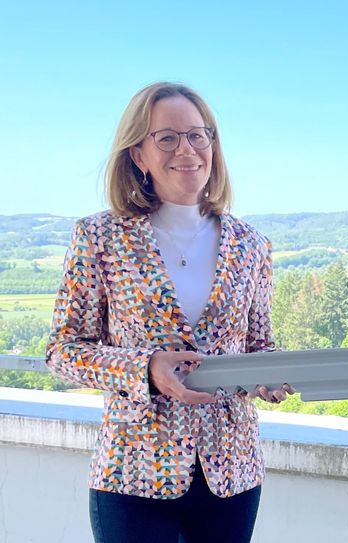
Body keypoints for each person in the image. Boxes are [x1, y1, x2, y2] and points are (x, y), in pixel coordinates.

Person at [46, 82, 293, 543]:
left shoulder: (252, 244)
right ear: (138, 154)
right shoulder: (100, 237)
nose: (188, 149)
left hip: (232, 475)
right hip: (133, 472)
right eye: (167, 138)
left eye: (199, 135)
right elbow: (62, 350)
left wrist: (273, 375)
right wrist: (145, 369)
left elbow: (259, 346)